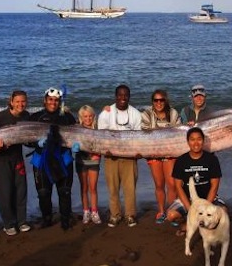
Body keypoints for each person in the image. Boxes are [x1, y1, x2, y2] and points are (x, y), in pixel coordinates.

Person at [29, 87, 77, 230]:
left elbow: (76, 135)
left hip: (63, 159)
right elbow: (25, 139)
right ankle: (47, 219)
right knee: (44, 193)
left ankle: (65, 220)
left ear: (60, 102)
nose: (53, 102)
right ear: (45, 100)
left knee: (65, 191)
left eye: (56, 100)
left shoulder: (67, 117)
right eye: (50, 99)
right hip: (41, 160)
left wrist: (76, 144)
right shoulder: (35, 117)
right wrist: (35, 143)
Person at [97, 84, 143, 227]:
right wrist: (106, 150)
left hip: (130, 157)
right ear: (115, 96)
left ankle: (130, 215)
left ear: (129, 97)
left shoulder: (136, 113)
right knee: (113, 188)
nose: (123, 98)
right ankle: (115, 215)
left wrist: (138, 152)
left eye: (125, 95)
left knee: (130, 188)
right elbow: (101, 135)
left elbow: (139, 136)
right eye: (120, 95)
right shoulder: (106, 113)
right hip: (111, 157)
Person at [167, 127, 224, 236]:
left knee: (223, 213)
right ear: (188, 142)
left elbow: (215, 185)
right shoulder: (181, 161)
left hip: (208, 198)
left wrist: (206, 207)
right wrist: (190, 210)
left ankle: (207, 226)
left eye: (199, 139)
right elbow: (178, 187)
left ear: (203, 141)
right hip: (188, 199)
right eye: (192, 139)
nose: (196, 143)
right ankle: (186, 224)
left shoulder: (212, 159)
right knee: (171, 215)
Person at [0, 90, 31, 236]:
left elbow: (29, 137)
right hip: (0, 159)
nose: (21, 104)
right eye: (18, 101)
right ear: (11, 102)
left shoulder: (26, 116)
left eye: (23, 101)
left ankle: (21, 221)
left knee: (21, 190)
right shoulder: (0, 117)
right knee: (5, 192)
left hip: (17, 156)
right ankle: (8, 223)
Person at [141, 89, 182, 224]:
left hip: (170, 151)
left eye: (161, 100)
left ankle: (171, 211)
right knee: (159, 184)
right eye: (156, 100)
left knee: (172, 184)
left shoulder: (174, 113)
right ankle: (161, 211)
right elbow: (144, 133)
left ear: (166, 100)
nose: (159, 103)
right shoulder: (147, 113)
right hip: (153, 152)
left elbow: (179, 133)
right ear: (152, 102)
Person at [75, 105, 102, 225]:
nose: (88, 118)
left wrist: (106, 108)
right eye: (85, 116)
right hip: (81, 161)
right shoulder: (77, 128)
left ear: (93, 116)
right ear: (81, 117)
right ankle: (86, 211)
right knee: (84, 188)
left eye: (90, 116)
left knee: (93, 188)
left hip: (94, 161)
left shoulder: (97, 128)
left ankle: (94, 211)